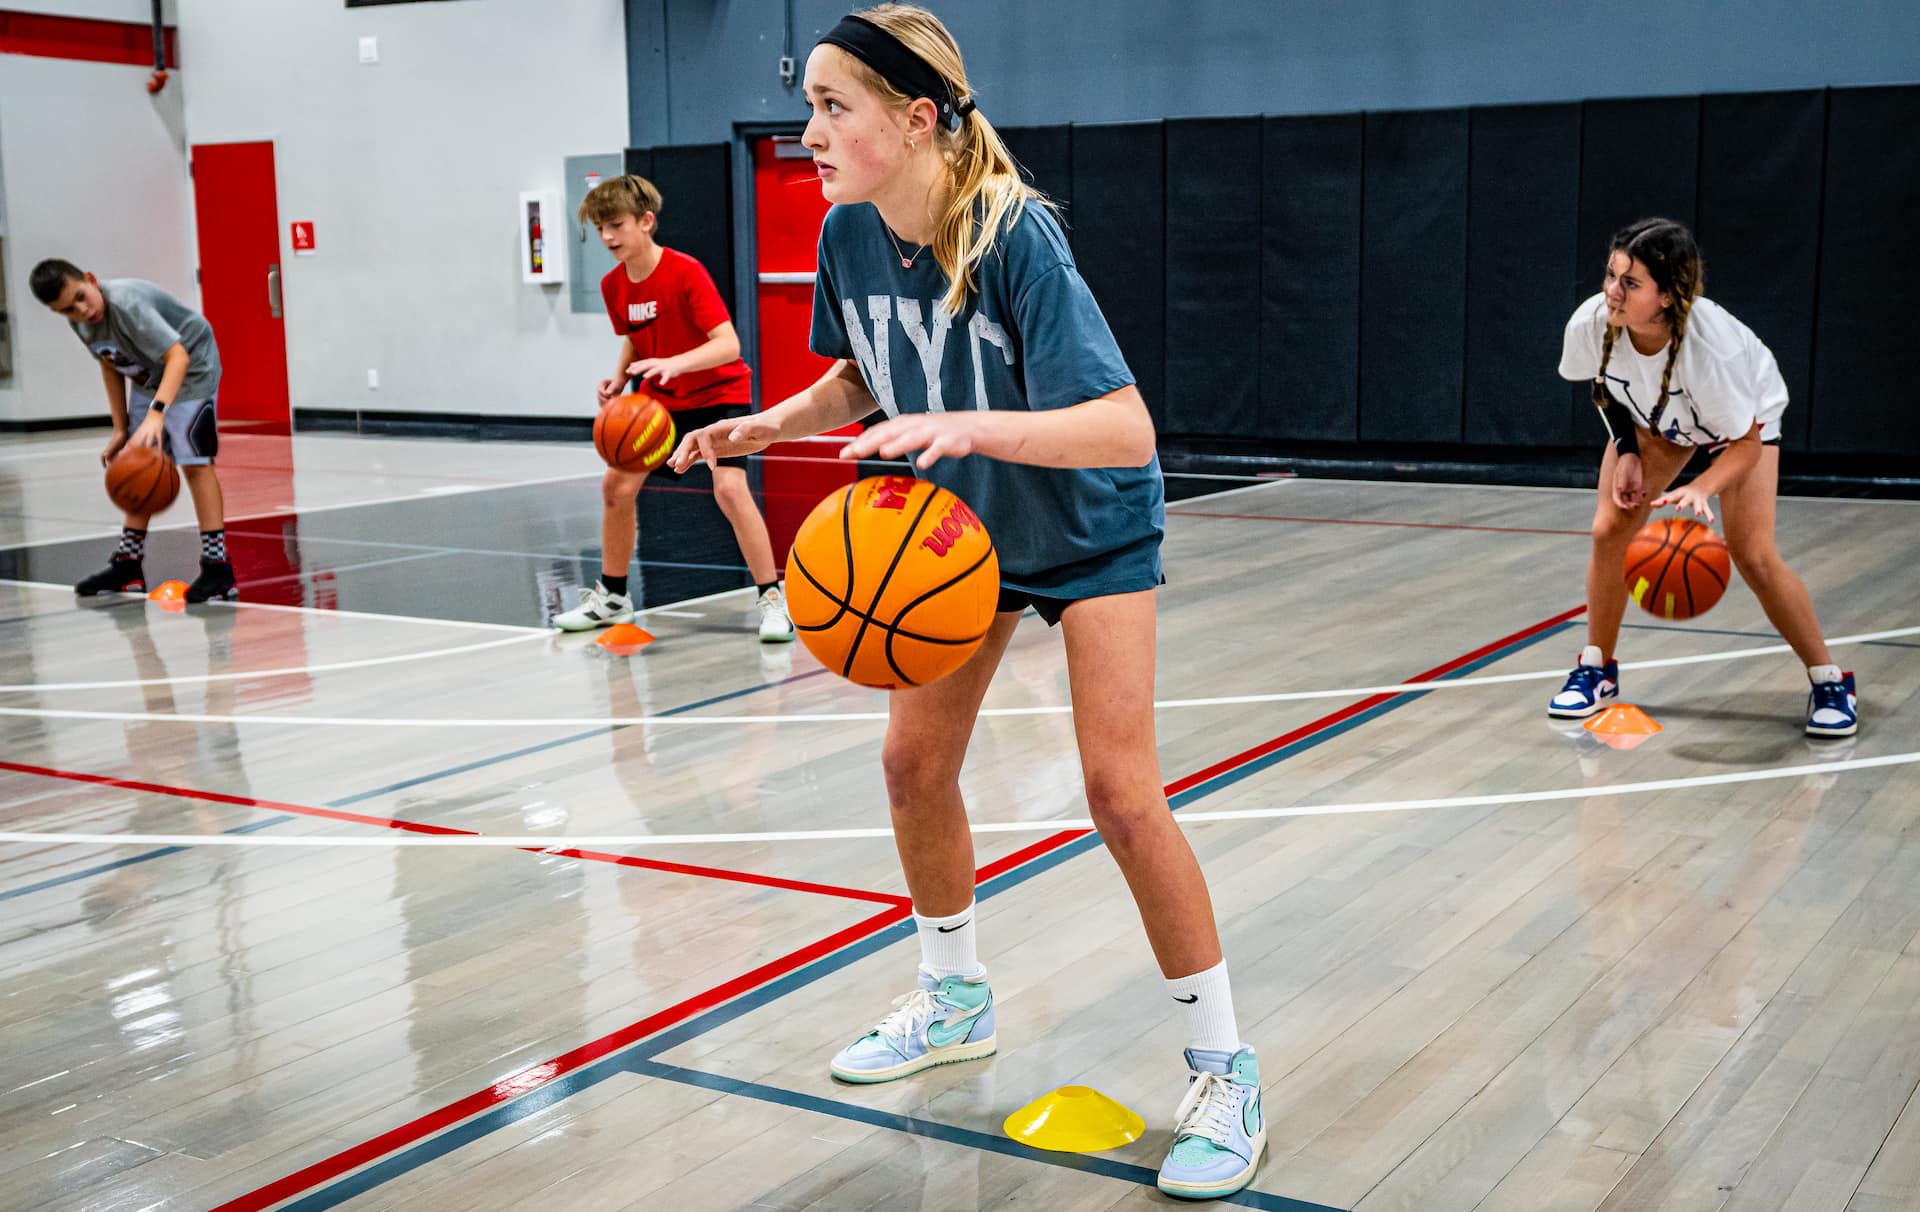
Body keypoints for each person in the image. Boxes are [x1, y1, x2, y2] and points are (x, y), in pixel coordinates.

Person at [669, 6, 1263, 1199]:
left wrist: (970, 426)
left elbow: (1125, 424)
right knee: (910, 767)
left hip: (1089, 522)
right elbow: (859, 371)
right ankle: (953, 998)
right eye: (813, 106)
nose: (810, 130)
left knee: (1120, 792)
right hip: (967, 536)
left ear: (918, 119)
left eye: (835, 108)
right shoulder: (846, 235)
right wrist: (767, 424)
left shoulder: (1015, 237)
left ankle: (1224, 1067)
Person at [1551, 217, 1857, 737]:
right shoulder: (1593, 321)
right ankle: (1596, 668)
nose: (1612, 292)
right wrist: (1626, 449)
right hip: (1660, 418)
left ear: (1667, 296)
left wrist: (1702, 485)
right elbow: (1605, 389)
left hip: (1743, 419)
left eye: (1630, 283)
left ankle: (1830, 680)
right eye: (1610, 275)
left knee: (1752, 554)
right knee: (1609, 530)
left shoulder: (1711, 352)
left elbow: (1745, 443)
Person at [557, 174, 794, 642]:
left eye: (616, 225)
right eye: (600, 228)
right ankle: (612, 595)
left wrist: (674, 363)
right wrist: (620, 377)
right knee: (616, 485)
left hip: (718, 397)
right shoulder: (612, 285)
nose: (607, 237)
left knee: (729, 489)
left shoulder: (686, 272)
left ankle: (772, 598)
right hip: (662, 404)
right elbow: (633, 335)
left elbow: (728, 345)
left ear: (646, 222)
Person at [30, 259, 238, 603]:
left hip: (192, 364)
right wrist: (120, 428)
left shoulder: (127, 304)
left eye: (82, 297)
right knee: (141, 464)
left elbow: (178, 357)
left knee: (195, 462)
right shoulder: (79, 322)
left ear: (91, 280)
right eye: (69, 309)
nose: (82, 310)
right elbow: (109, 362)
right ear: (57, 311)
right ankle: (128, 565)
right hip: (150, 374)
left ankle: (218, 569)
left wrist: (157, 413)